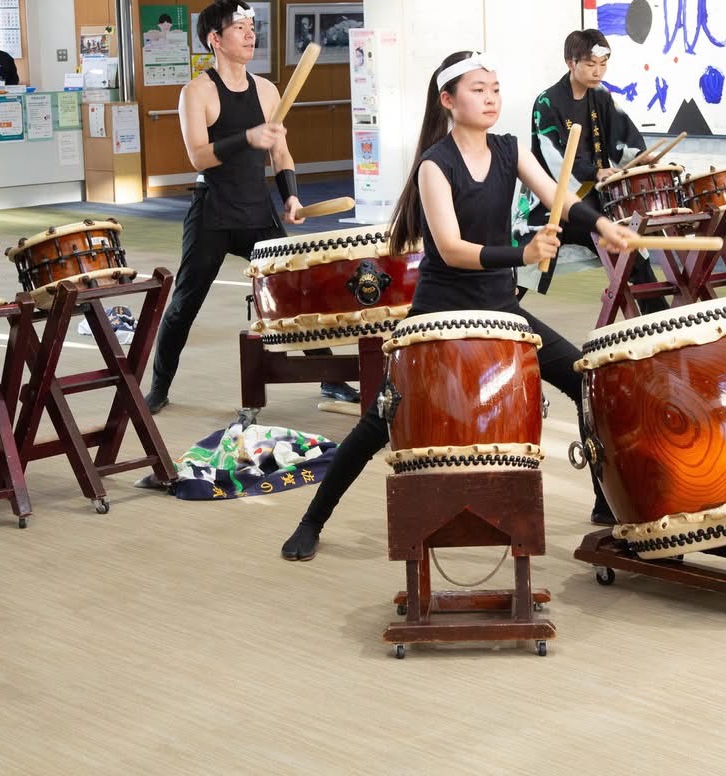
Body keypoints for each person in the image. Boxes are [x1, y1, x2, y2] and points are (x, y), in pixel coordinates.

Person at [280, 50, 641, 562]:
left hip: (500, 307)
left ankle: (605, 500)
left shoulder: (509, 148)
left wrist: (605, 226)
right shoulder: (435, 164)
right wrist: (523, 254)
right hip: (440, 310)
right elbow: (450, 249)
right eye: (478, 89)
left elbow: (558, 197)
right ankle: (311, 520)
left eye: (495, 88)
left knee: (585, 379)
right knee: (380, 418)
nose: (491, 97)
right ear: (448, 100)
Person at [144, 0, 358, 413]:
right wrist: (247, 137)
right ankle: (158, 387)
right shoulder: (197, 92)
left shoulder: (266, 90)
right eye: (239, 28)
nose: (249, 34)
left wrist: (291, 195)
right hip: (213, 212)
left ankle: (330, 378)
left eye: (251, 27)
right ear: (215, 38)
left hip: (257, 209)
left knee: (293, 293)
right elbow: (198, 157)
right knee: (184, 303)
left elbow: (281, 153)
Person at [517, 28, 664, 311]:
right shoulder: (547, 102)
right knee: (527, 261)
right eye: (590, 64)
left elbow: (623, 135)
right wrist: (594, 172)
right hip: (552, 200)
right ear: (570, 63)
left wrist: (640, 158)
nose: (598, 72)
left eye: (603, 64)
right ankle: (499, 310)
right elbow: (552, 156)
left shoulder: (601, 96)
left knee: (629, 247)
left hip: (595, 199)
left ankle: (657, 318)